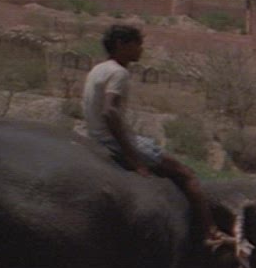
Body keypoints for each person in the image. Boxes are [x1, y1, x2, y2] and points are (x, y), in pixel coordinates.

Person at [82, 25, 231, 249]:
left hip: (95, 136)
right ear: (121, 45)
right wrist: (133, 158)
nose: (141, 49)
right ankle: (211, 232)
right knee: (187, 175)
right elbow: (110, 111)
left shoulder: (98, 69)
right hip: (112, 140)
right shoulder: (119, 73)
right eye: (137, 44)